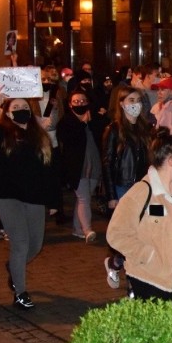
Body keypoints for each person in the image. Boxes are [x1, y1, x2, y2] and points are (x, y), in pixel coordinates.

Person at [0, 93, 59, 309]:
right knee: (21, 244)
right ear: (8, 111)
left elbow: (49, 170)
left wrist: (53, 202)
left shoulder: (38, 135)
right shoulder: (2, 133)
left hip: (35, 197)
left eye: (24, 105)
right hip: (9, 197)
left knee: (35, 245)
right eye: (16, 106)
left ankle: (13, 267)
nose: (21, 109)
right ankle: (20, 292)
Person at [106, 132, 172, 305]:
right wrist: (147, 255)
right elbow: (116, 233)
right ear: (171, 161)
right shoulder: (143, 191)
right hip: (151, 277)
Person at [102, 86, 153, 289]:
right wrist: (111, 195)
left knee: (141, 234)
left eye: (138, 100)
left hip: (143, 187)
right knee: (127, 234)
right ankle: (120, 267)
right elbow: (107, 162)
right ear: (121, 103)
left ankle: (122, 268)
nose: (135, 105)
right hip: (123, 186)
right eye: (131, 100)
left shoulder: (146, 129)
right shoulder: (114, 130)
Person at [57, 89, 107, 243]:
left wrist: (95, 119)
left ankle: (77, 229)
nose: (80, 104)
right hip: (77, 167)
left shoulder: (94, 119)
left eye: (83, 101)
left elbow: (102, 133)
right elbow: (68, 140)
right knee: (84, 198)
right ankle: (87, 230)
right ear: (70, 104)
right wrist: (82, 124)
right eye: (76, 101)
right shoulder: (66, 122)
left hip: (94, 165)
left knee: (83, 198)